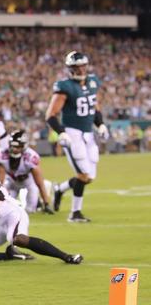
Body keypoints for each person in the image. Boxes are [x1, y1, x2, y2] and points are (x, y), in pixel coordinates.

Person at [46, 51, 108, 222]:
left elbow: (94, 108)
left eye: (82, 65)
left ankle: (60, 188)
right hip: (73, 134)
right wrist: (62, 132)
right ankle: (75, 213)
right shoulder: (64, 86)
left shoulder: (93, 82)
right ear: (70, 68)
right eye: (76, 66)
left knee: (90, 177)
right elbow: (50, 115)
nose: (80, 69)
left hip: (88, 133)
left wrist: (100, 124)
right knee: (83, 176)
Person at [0, 130, 54, 214]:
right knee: (6, 208)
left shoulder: (30, 157)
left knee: (29, 210)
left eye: (18, 146)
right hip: (12, 183)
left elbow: (39, 183)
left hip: (29, 182)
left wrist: (47, 203)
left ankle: (38, 202)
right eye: (13, 146)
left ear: (24, 146)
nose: (15, 149)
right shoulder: (2, 156)